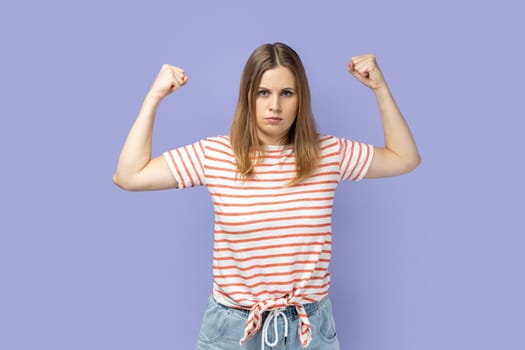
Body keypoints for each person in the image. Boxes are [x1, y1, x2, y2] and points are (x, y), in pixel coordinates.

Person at [113, 42, 420, 350]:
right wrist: (153, 98)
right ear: (248, 96)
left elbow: (404, 158)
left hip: (308, 329)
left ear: (301, 99)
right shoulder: (216, 154)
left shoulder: (329, 153)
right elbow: (129, 176)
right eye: (263, 92)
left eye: (287, 93)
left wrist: (380, 89)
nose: (275, 105)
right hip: (233, 329)